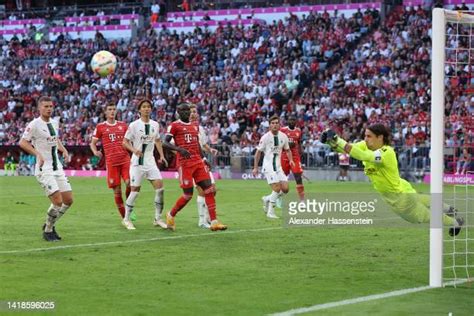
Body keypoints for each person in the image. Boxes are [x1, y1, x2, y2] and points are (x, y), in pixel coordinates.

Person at [321, 123, 464, 236]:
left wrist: (337, 139)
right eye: (365, 135)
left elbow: (364, 157)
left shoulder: (387, 152)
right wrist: (331, 142)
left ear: (380, 137)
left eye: (369, 136)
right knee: (419, 199)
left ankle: (455, 222)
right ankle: (448, 208)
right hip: (401, 187)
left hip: (400, 198)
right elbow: (347, 149)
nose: (365, 139)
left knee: (423, 216)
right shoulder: (365, 145)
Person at [163, 103, 227, 231]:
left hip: (197, 162)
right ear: (178, 112)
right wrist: (179, 149)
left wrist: (204, 158)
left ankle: (214, 222)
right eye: (183, 110)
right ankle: (170, 215)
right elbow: (165, 143)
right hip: (184, 164)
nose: (187, 112)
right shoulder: (174, 126)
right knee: (188, 195)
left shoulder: (193, 127)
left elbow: (197, 144)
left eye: (188, 110)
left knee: (209, 189)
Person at [19, 96, 73, 241]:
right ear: (39, 108)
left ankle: (49, 223)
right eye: (45, 106)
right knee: (57, 201)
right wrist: (37, 154)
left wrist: (64, 150)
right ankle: (48, 230)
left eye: (50, 106)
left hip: (57, 167)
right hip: (44, 168)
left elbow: (56, 139)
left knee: (68, 200)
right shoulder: (34, 124)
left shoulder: (55, 123)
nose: (49, 109)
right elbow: (23, 142)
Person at [122, 99, 168, 230]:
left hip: (151, 161)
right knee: (135, 191)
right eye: (144, 107)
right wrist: (134, 150)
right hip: (137, 163)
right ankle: (126, 219)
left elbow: (158, 140)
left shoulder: (155, 124)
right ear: (139, 110)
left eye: (148, 107)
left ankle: (157, 219)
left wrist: (162, 156)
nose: (146, 109)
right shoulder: (134, 125)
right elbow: (125, 142)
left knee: (160, 189)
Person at [90, 103, 131, 222]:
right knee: (117, 191)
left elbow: (129, 141)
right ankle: (125, 217)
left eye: (114, 109)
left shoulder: (123, 125)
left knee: (130, 184)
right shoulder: (100, 127)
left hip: (125, 160)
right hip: (111, 163)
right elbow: (92, 143)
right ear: (105, 112)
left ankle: (129, 208)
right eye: (110, 109)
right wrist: (95, 151)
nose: (112, 111)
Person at [252, 115, 295, 219]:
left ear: (279, 125)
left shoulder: (283, 136)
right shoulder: (265, 137)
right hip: (268, 166)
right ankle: (270, 212)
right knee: (276, 188)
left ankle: (267, 199)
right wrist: (255, 167)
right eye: (273, 123)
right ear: (269, 125)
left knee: (285, 189)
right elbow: (258, 153)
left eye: (277, 123)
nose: (275, 125)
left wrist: (291, 160)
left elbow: (288, 150)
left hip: (278, 167)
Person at [189, 103, 219, 228]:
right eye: (191, 111)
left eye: (195, 111)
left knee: (212, 190)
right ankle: (202, 221)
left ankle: (207, 217)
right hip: (192, 163)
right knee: (202, 191)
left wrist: (210, 150)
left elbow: (203, 144)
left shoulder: (200, 129)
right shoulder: (184, 128)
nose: (193, 114)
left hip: (202, 162)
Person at [280, 115, 305, 200]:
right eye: (290, 120)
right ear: (287, 121)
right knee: (282, 178)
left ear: (296, 122)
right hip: (284, 156)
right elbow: (279, 142)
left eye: (293, 120)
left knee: (298, 177)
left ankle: (302, 200)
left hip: (295, 157)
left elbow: (299, 141)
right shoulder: (283, 130)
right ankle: (279, 197)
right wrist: (287, 145)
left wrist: (301, 150)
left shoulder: (298, 131)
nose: (292, 121)